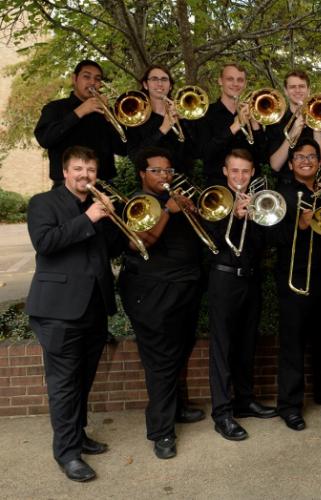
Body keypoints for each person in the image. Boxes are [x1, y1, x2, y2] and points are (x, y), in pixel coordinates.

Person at [26, 146, 124, 481]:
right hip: (58, 310)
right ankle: (67, 454)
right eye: (79, 169)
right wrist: (90, 218)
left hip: (93, 308)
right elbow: (45, 242)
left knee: (82, 380)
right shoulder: (44, 203)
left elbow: (110, 250)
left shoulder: (96, 205)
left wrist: (112, 220)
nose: (86, 175)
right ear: (65, 172)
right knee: (64, 384)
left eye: (91, 170)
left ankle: (77, 436)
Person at [117, 147, 205, 459]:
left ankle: (177, 408)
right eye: (156, 171)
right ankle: (161, 431)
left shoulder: (174, 197)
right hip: (152, 291)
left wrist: (192, 210)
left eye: (167, 171)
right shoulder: (138, 202)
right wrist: (168, 210)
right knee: (160, 361)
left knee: (179, 351)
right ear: (142, 173)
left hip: (184, 287)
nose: (164, 176)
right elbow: (139, 242)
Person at [202, 148, 277, 442]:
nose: (240, 177)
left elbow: (265, 243)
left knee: (247, 344)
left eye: (245, 172)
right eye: (235, 171)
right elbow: (211, 242)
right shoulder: (213, 200)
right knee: (222, 348)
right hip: (223, 278)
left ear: (252, 173)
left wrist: (255, 216)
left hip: (250, 279)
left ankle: (244, 401)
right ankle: (222, 414)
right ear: (225, 172)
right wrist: (233, 215)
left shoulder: (259, 200)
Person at [270, 138, 321, 431]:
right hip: (294, 277)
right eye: (300, 157)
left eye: (312, 156)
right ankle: (289, 406)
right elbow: (274, 240)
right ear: (291, 162)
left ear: (319, 162)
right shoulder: (282, 194)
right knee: (293, 344)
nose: (306, 161)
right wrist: (301, 224)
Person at [34, 60, 125, 186]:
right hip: (65, 189)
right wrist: (80, 111)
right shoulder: (55, 108)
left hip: (104, 188)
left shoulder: (105, 112)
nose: (92, 82)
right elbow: (45, 139)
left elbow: (123, 149)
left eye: (97, 79)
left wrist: (109, 118)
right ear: (74, 79)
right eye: (86, 76)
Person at [197, 63, 267, 186]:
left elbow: (262, 157)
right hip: (217, 186)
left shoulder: (253, 113)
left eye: (240, 80)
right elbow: (206, 153)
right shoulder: (206, 113)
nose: (235, 84)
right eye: (230, 79)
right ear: (220, 81)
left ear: (245, 84)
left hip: (250, 186)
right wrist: (234, 127)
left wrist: (255, 124)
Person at [125, 65, 196, 174]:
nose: (160, 84)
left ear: (170, 85)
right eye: (154, 79)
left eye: (164, 79)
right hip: (151, 184)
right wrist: (163, 129)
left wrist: (185, 121)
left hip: (184, 181)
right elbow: (135, 156)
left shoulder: (182, 112)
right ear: (145, 84)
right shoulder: (135, 117)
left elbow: (196, 151)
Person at [267, 69, 321, 187]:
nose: (297, 90)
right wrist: (293, 132)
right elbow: (275, 165)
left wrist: (315, 125)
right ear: (286, 90)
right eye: (292, 87)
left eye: (301, 86)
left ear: (308, 89)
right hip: (286, 187)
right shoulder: (276, 122)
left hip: (315, 186)